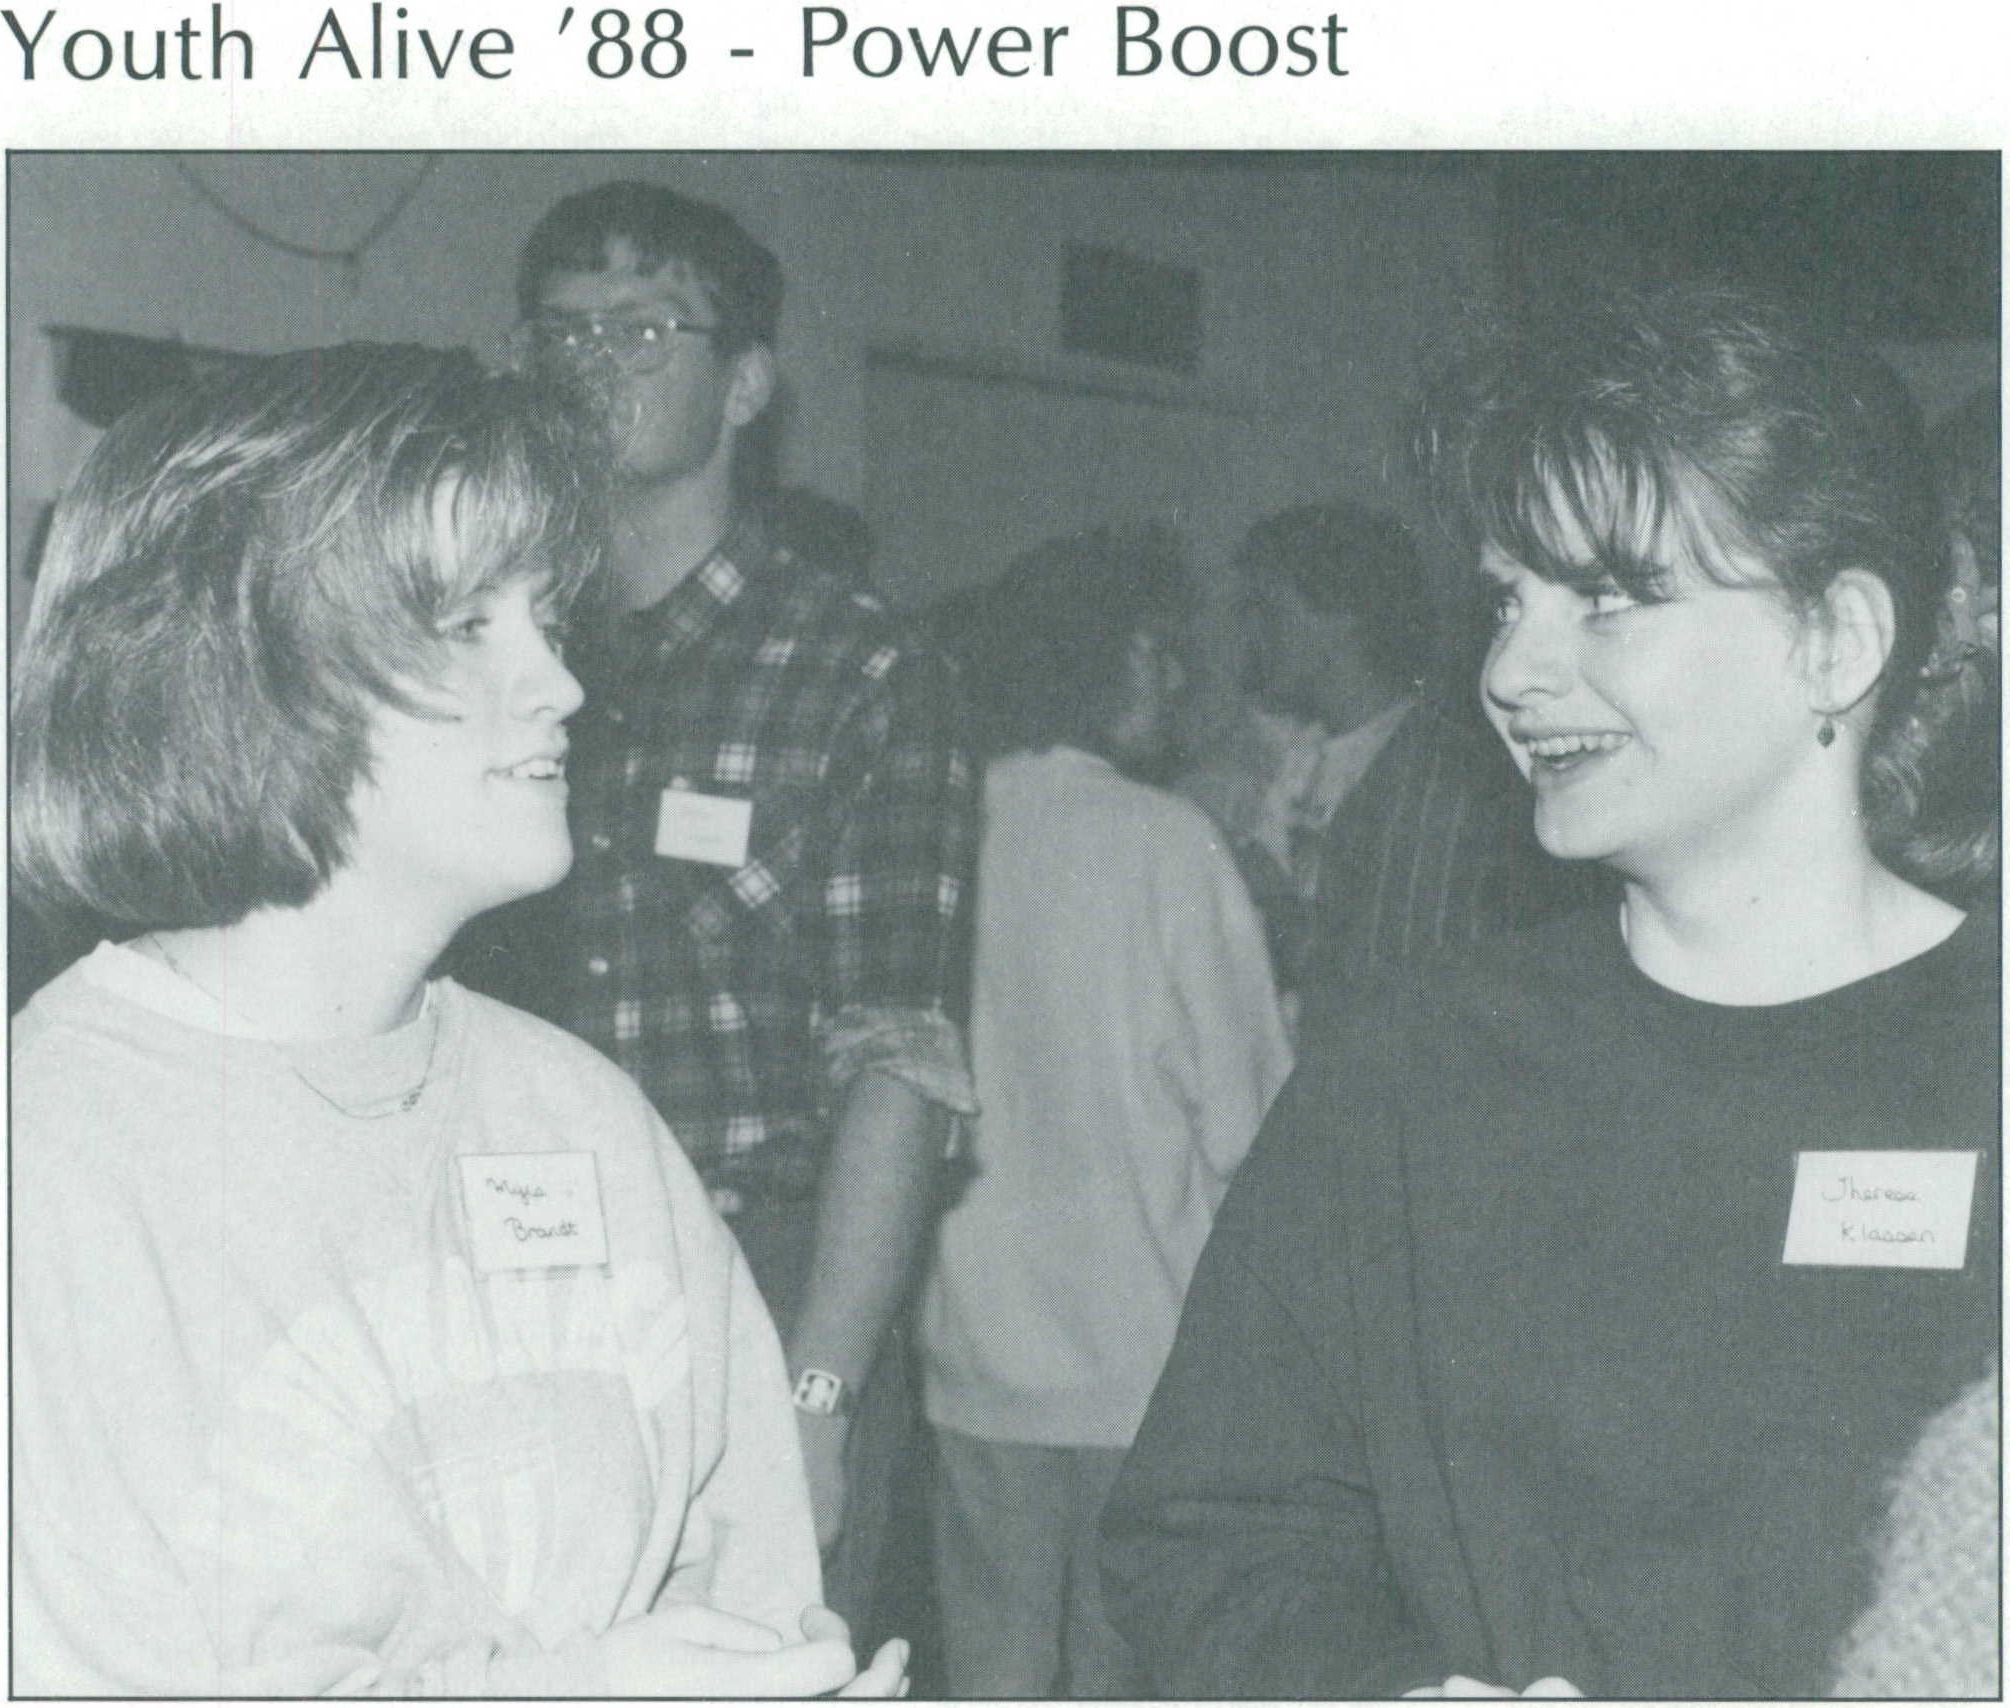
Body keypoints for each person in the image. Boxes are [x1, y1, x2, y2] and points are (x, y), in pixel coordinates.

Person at [1100, 280, 1999, 1698]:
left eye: (1611, 599)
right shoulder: (1408, 1071)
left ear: (1836, 641)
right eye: (1509, 600)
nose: (1513, 672)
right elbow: (1212, 1539)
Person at [9, 346, 903, 1697]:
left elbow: (747, 1579)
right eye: (469, 622)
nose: (562, 685)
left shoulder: (582, 1114)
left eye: (545, 615)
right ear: (239, 668)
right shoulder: (54, 1157)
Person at [460, 180, 979, 1629]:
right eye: (560, 331)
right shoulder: (477, 645)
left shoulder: (858, 669)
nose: (590, 364)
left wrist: (818, 1395)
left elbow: (897, 1061)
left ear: (747, 383)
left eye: (641, 329)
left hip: (760, 1278)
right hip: (504, 1263)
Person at [920, 532, 1292, 1697]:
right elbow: (1251, 1129)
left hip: (974, 1360)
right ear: (1124, 657)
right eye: (1166, 654)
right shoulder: (1166, 841)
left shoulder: (944, 823)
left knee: (993, 1671)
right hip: (1146, 1367)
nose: (1178, 684)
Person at [1179, 501, 1436, 1000]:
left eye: (1267, 610)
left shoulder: (1424, 764)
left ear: (1341, 614)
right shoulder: (1289, 760)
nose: (1250, 634)